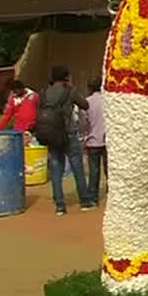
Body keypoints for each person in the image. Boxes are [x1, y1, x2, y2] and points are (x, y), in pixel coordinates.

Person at [37, 66, 93, 216]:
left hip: (51, 134)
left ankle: (60, 206)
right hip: (68, 133)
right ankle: (85, 201)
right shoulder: (70, 91)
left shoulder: (43, 93)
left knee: (56, 168)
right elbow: (85, 105)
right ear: (66, 76)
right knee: (77, 166)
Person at [82, 77, 107, 206]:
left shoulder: (87, 102)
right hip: (108, 141)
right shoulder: (109, 101)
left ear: (90, 88)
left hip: (92, 141)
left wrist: (84, 139)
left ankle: (93, 198)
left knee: (94, 171)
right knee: (110, 171)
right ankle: (113, 196)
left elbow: (84, 123)